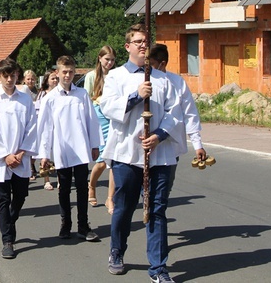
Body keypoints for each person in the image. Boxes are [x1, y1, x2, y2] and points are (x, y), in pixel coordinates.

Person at [100, 24, 180, 280]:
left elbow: (174, 114)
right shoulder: (115, 77)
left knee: (157, 209)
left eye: (146, 41)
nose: (143, 45)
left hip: (159, 154)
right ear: (128, 46)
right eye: (138, 41)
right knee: (124, 206)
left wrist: (159, 136)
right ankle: (117, 249)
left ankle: (158, 267)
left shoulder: (163, 79)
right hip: (127, 154)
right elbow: (109, 108)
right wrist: (136, 95)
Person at [37, 55, 101, 242]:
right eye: (64, 72)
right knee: (64, 188)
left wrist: (94, 144)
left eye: (71, 72)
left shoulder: (81, 95)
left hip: (80, 148)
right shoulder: (50, 98)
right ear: (57, 73)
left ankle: (83, 225)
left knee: (82, 187)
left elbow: (91, 121)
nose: (68, 75)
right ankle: (66, 224)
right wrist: (44, 153)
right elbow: (45, 127)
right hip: (61, 149)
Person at [0, 58, 39, 260]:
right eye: (5, 75)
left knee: (21, 195)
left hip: (21, 157)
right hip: (2, 159)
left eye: (12, 75)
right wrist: (5, 155)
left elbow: (32, 127)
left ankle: (10, 221)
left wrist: (22, 152)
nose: (9, 79)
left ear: (17, 75)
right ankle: (8, 240)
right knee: (3, 199)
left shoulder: (25, 100)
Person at [147, 43, 207, 193]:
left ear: (162, 64)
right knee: (143, 190)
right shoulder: (142, 81)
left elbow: (189, 113)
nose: (147, 69)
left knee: (163, 191)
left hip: (169, 147)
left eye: (152, 65)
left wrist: (197, 144)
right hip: (144, 145)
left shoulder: (177, 83)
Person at [86, 45, 118, 214]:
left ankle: (110, 198)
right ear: (100, 58)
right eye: (107, 59)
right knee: (102, 161)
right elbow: (87, 100)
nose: (110, 63)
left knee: (113, 159)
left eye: (112, 60)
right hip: (99, 115)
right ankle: (91, 185)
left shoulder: (116, 75)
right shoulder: (92, 76)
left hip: (114, 116)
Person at [33, 69, 59, 190]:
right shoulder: (42, 94)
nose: (55, 80)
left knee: (58, 153)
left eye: (56, 78)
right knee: (45, 152)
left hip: (57, 126)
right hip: (45, 126)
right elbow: (37, 111)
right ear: (47, 80)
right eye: (52, 78)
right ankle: (46, 179)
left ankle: (60, 179)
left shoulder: (61, 92)